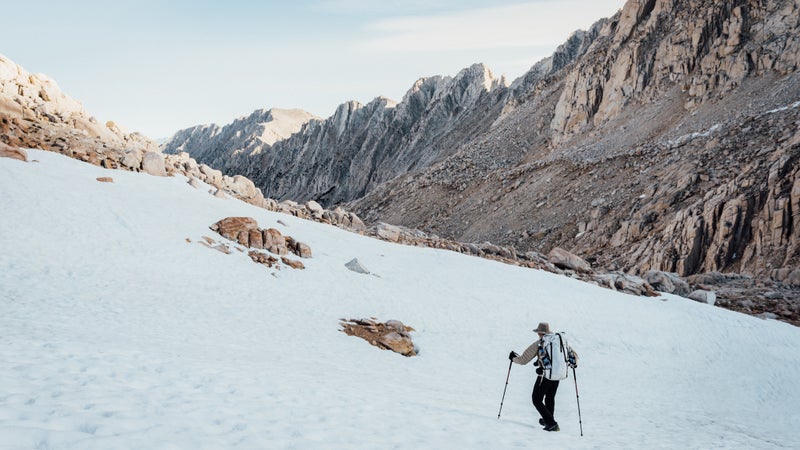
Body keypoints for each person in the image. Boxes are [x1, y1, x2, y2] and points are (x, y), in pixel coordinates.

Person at [508, 322, 578, 432]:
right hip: (557, 375)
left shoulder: (540, 343)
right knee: (550, 398)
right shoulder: (558, 341)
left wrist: (513, 358)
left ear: (540, 333)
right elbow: (574, 356)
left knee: (536, 399)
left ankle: (552, 424)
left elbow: (523, 360)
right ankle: (548, 420)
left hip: (544, 376)